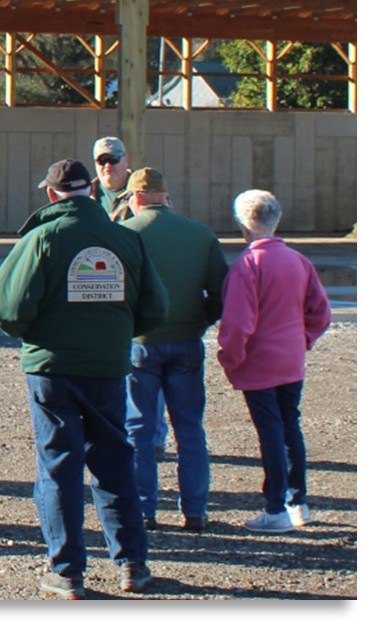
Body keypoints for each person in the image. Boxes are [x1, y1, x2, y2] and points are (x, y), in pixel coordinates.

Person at [0, 159, 168, 600]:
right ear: (91, 189)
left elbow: (9, 309)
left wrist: (38, 334)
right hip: (107, 368)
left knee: (58, 466)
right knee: (114, 461)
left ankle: (67, 572)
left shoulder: (42, 238)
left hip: (51, 370)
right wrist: (114, 332)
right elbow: (155, 308)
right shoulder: (126, 238)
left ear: (51, 195)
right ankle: (133, 565)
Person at [120, 168, 228, 533]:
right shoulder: (200, 233)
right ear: (166, 197)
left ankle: (144, 510)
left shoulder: (123, 234)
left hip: (140, 343)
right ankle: (195, 511)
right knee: (189, 428)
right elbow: (220, 292)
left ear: (135, 198)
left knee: (138, 429)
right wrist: (200, 321)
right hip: (187, 341)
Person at [217, 190, 331, 534]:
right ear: (276, 220)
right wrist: (303, 339)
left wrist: (230, 358)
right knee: (289, 426)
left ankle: (275, 508)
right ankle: (298, 503)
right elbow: (321, 312)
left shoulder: (247, 265)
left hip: (258, 364)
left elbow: (238, 323)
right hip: (290, 359)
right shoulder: (298, 260)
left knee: (270, 432)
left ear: (242, 225)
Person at [93, 137, 169, 457]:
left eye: (113, 159)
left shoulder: (145, 189)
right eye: (101, 161)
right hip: (99, 289)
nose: (107, 166)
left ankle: (153, 436)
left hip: (136, 290)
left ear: (126, 160)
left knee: (143, 368)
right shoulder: (89, 194)